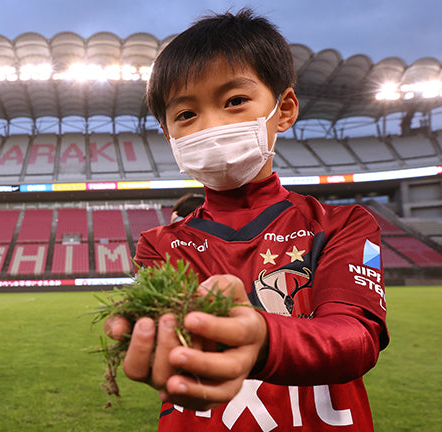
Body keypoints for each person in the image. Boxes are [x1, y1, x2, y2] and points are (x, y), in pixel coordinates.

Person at [105, 9, 389, 431]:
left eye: (235, 101)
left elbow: (357, 336)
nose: (212, 125)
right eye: (186, 115)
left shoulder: (344, 223)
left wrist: (265, 340)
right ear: (169, 136)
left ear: (285, 109)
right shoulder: (159, 244)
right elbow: (175, 343)